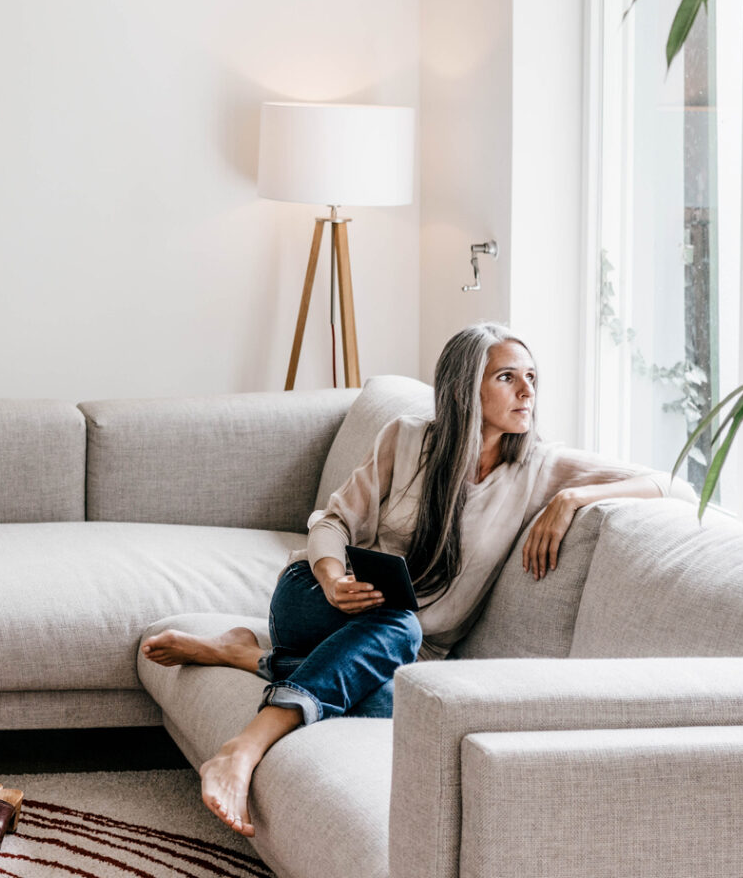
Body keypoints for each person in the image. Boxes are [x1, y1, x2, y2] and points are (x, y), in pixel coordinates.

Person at [139, 322, 696, 837]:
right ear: (464, 389)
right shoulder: (405, 439)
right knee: (398, 627)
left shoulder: (538, 469)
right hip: (317, 602)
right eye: (507, 378)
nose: (527, 392)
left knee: (403, 693)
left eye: (532, 378)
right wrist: (333, 578)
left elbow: (675, 486)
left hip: (411, 648)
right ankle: (243, 748)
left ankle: (247, 655)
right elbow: (332, 521)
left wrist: (575, 497)